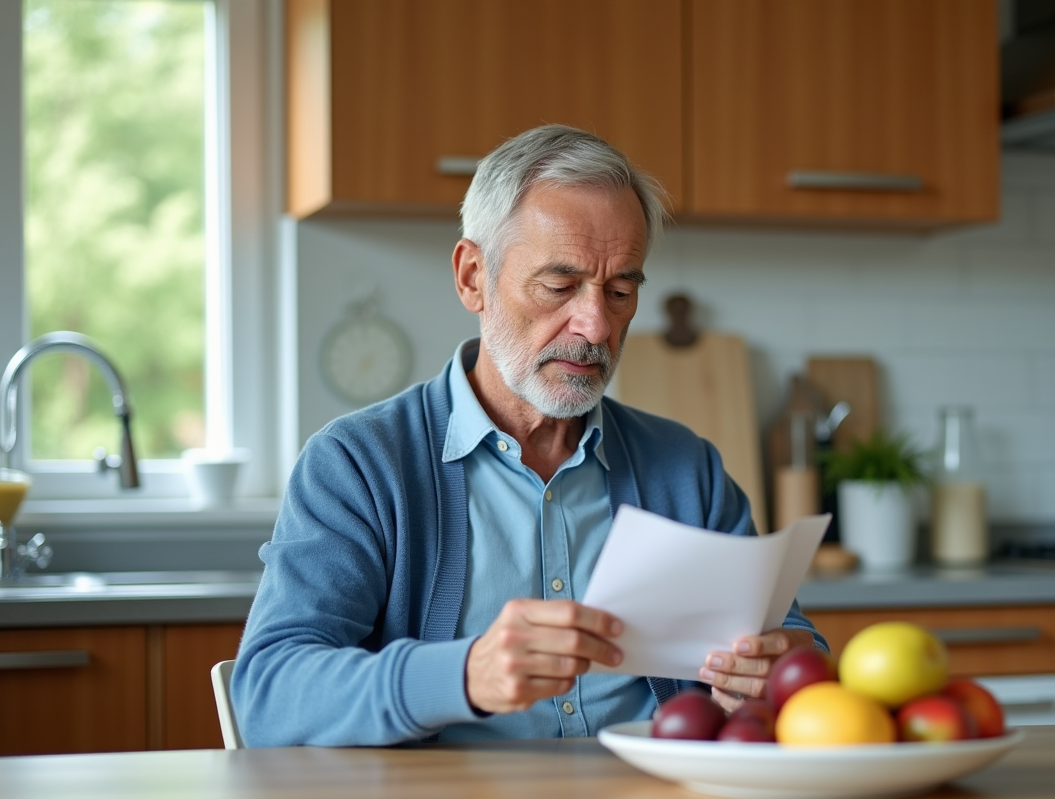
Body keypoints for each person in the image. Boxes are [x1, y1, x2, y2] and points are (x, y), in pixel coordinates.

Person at [231, 124, 827, 746]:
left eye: (621, 290)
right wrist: (463, 676)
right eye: (559, 286)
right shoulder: (359, 464)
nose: (595, 325)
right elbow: (269, 696)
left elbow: (788, 643)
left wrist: (783, 668)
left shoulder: (685, 468)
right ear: (471, 278)